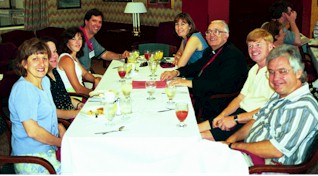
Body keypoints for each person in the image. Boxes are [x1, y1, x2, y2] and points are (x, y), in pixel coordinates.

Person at [224, 44, 318, 167]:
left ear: (298, 73)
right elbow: (256, 119)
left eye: (282, 71)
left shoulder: (303, 108)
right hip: (250, 154)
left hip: (269, 167)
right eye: (271, 72)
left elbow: (276, 150)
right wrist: (230, 140)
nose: (275, 78)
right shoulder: (279, 95)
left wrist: (234, 146)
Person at [160, 20, 248, 120]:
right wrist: (176, 72)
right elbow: (196, 66)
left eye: (217, 31)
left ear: (226, 35)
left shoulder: (232, 55)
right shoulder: (211, 50)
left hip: (217, 101)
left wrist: (190, 83)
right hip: (204, 89)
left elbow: (221, 84)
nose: (212, 35)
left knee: (174, 100)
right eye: (209, 32)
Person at [199, 28, 275, 141]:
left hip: (251, 121)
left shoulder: (274, 74)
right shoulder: (254, 69)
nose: (253, 49)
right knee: (194, 129)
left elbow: (268, 110)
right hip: (239, 113)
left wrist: (234, 119)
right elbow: (240, 97)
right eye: (250, 46)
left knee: (199, 137)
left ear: (270, 46)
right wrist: (223, 115)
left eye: (258, 44)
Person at [9, 38, 63, 174]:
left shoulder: (44, 81)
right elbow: (33, 131)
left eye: (44, 58)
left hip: (48, 148)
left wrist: (59, 126)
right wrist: (61, 143)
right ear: (24, 64)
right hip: (32, 157)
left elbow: (48, 112)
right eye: (35, 59)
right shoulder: (24, 89)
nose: (41, 63)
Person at [42, 37, 83, 120]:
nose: (55, 56)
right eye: (49, 53)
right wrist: (76, 113)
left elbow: (64, 95)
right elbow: (52, 112)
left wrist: (79, 104)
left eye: (55, 51)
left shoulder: (54, 71)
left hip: (71, 111)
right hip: (64, 119)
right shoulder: (43, 79)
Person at [57, 27, 100, 96]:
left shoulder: (74, 58)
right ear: (67, 42)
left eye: (79, 38)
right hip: (74, 97)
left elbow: (85, 74)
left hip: (80, 93)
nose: (77, 42)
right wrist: (96, 94)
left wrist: (95, 79)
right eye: (73, 39)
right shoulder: (66, 60)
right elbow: (78, 89)